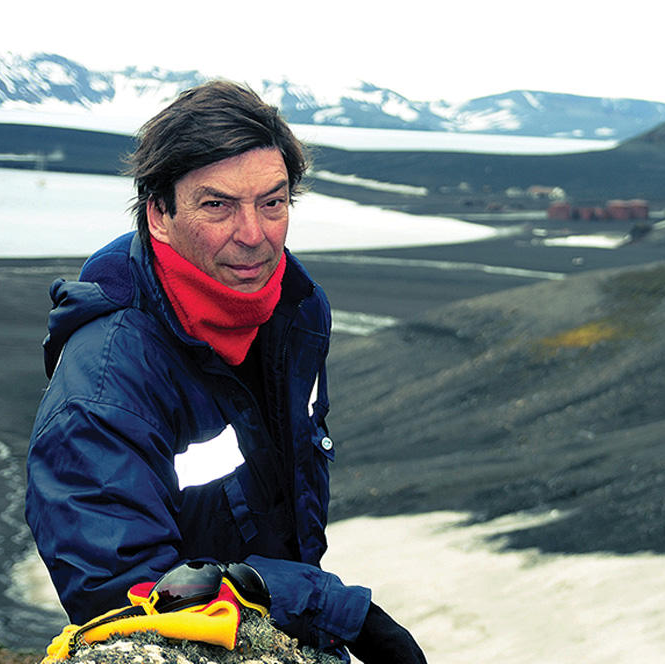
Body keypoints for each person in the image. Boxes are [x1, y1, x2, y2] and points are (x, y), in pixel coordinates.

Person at [25, 80, 427, 664]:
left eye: (274, 201)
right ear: (159, 213)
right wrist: (327, 606)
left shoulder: (296, 310)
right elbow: (127, 598)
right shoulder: (108, 384)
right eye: (218, 205)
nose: (255, 234)